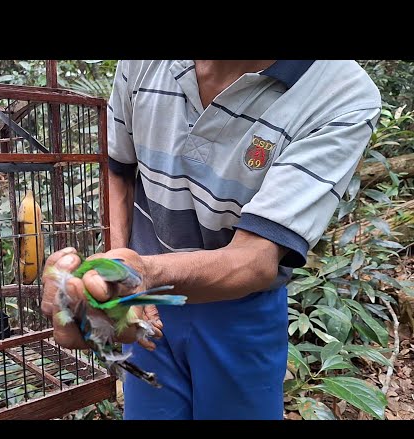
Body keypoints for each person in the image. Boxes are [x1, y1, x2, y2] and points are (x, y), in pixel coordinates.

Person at [40, 60, 381, 420]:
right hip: (147, 302)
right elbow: (119, 171)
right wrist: (115, 278)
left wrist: (140, 273)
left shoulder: (340, 93)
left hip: (241, 307)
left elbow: (256, 256)